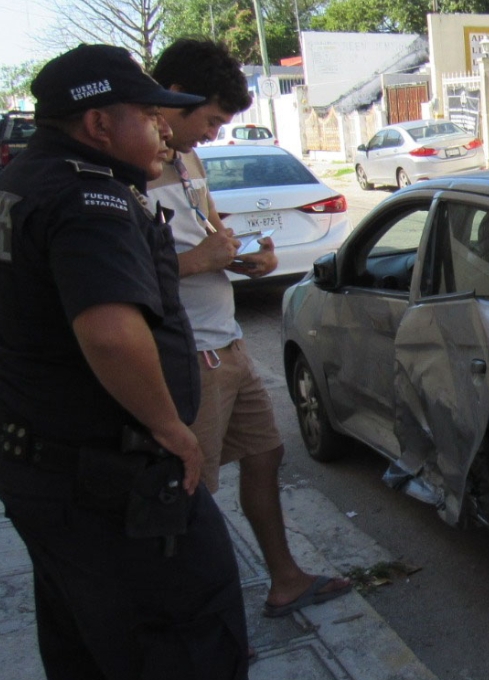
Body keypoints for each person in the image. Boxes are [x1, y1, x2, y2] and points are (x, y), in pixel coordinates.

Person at [0, 44, 250, 678]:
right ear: (99, 125)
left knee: (88, 635)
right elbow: (111, 333)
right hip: (111, 482)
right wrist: (171, 428)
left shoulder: (22, 181)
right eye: (147, 113)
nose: (161, 127)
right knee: (186, 631)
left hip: (42, 464)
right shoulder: (91, 200)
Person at [147, 38, 353, 618]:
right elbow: (129, 275)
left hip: (229, 342)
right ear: (173, 99)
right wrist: (203, 260)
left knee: (265, 453)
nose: (212, 135)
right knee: (192, 492)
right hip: (191, 355)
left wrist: (242, 258)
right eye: (210, 119)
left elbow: (206, 231)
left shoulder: (184, 158)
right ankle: (192, 612)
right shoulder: (128, 169)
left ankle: (285, 578)